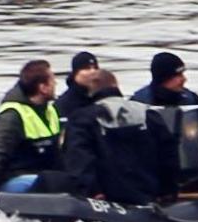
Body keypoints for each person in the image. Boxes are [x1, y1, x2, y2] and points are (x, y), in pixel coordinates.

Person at [63, 69, 169, 205]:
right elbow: (168, 154)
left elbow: (79, 158)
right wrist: (167, 191)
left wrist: (92, 190)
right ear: (115, 85)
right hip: (148, 195)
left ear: (90, 92)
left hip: (107, 199)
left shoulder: (81, 119)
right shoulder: (149, 114)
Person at [0, 58, 67, 192]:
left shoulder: (50, 111)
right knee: (44, 182)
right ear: (42, 88)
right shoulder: (12, 116)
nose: (55, 83)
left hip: (44, 175)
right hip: (15, 179)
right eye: (52, 80)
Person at [131, 51, 198, 141]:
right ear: (164, 78)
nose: (184, 79)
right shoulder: (137, 105)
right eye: (178, 75)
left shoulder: (190, 101)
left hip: (186, 156)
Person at [54, 50, 102, 120]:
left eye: (95, 68)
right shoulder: (64, 103)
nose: (93, 72)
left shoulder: (101, 98)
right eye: (87, 68)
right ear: (75, 73)